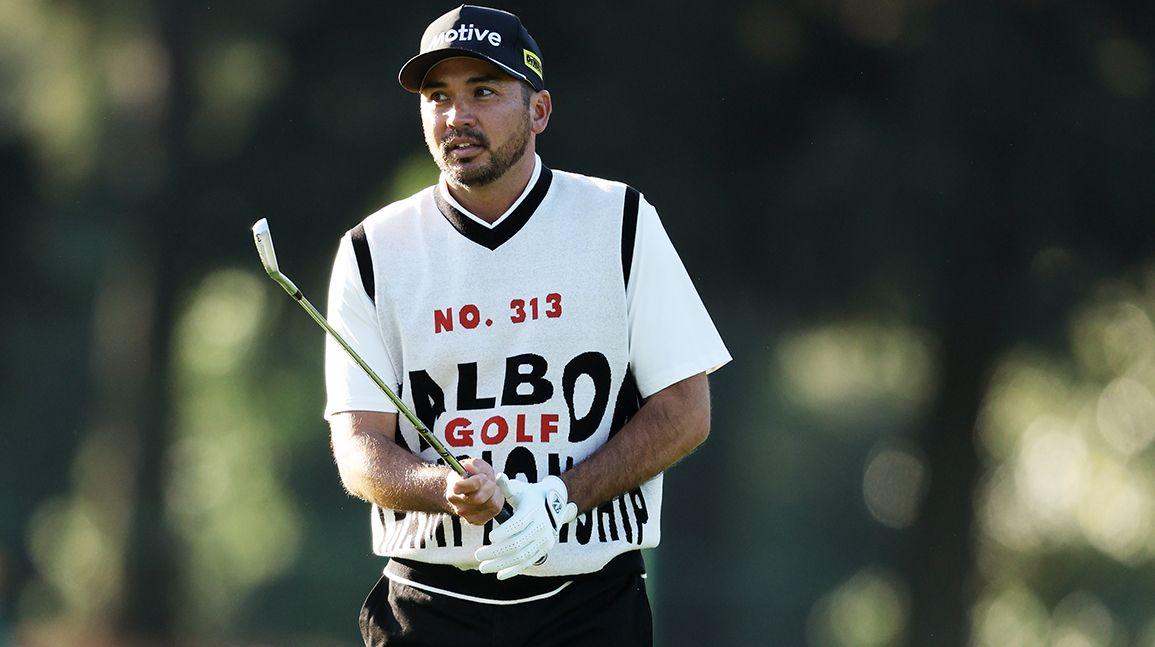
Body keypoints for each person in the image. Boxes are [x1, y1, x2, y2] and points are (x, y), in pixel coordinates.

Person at [323, 5, 731, 645]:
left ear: (539, 111)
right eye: (439, 96)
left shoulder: (619, 221)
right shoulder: (373, 250)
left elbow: (685, 410)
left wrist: (558, 499)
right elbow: (359, 454)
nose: (458, 116)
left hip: (589, 604)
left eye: (483, 92)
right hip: (428, 608)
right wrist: (446, 489)